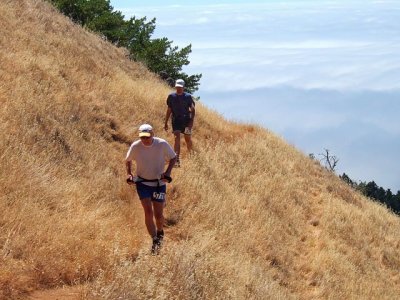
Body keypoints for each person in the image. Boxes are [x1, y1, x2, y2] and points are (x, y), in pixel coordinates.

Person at [125, 124, 177, 254]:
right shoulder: (136, 146)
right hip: (142, 183)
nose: (145, 140)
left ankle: (160, 232)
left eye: (147, 137)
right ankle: (155, 240)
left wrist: (168, 172)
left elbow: (173, 157)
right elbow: (128, 160)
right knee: (148, 212)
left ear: (152, 134)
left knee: (158, 216)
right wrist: (129, 174)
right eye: (142, 137)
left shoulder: (162, 144)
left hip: (159, 184)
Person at [164, 79, 195, 167]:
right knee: (176, 138)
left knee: (187, 138)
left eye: (180, 87)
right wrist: (166, 122)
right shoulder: (171, 96)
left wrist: (191, 122)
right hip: (176, 120)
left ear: (183, 87)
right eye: (177, 87)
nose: (179, 88)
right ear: (175, 86)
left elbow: (193, 110)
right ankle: (176, 160)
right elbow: (169, 109)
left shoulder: (188, 97)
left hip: (186, 120)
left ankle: (192, 156)